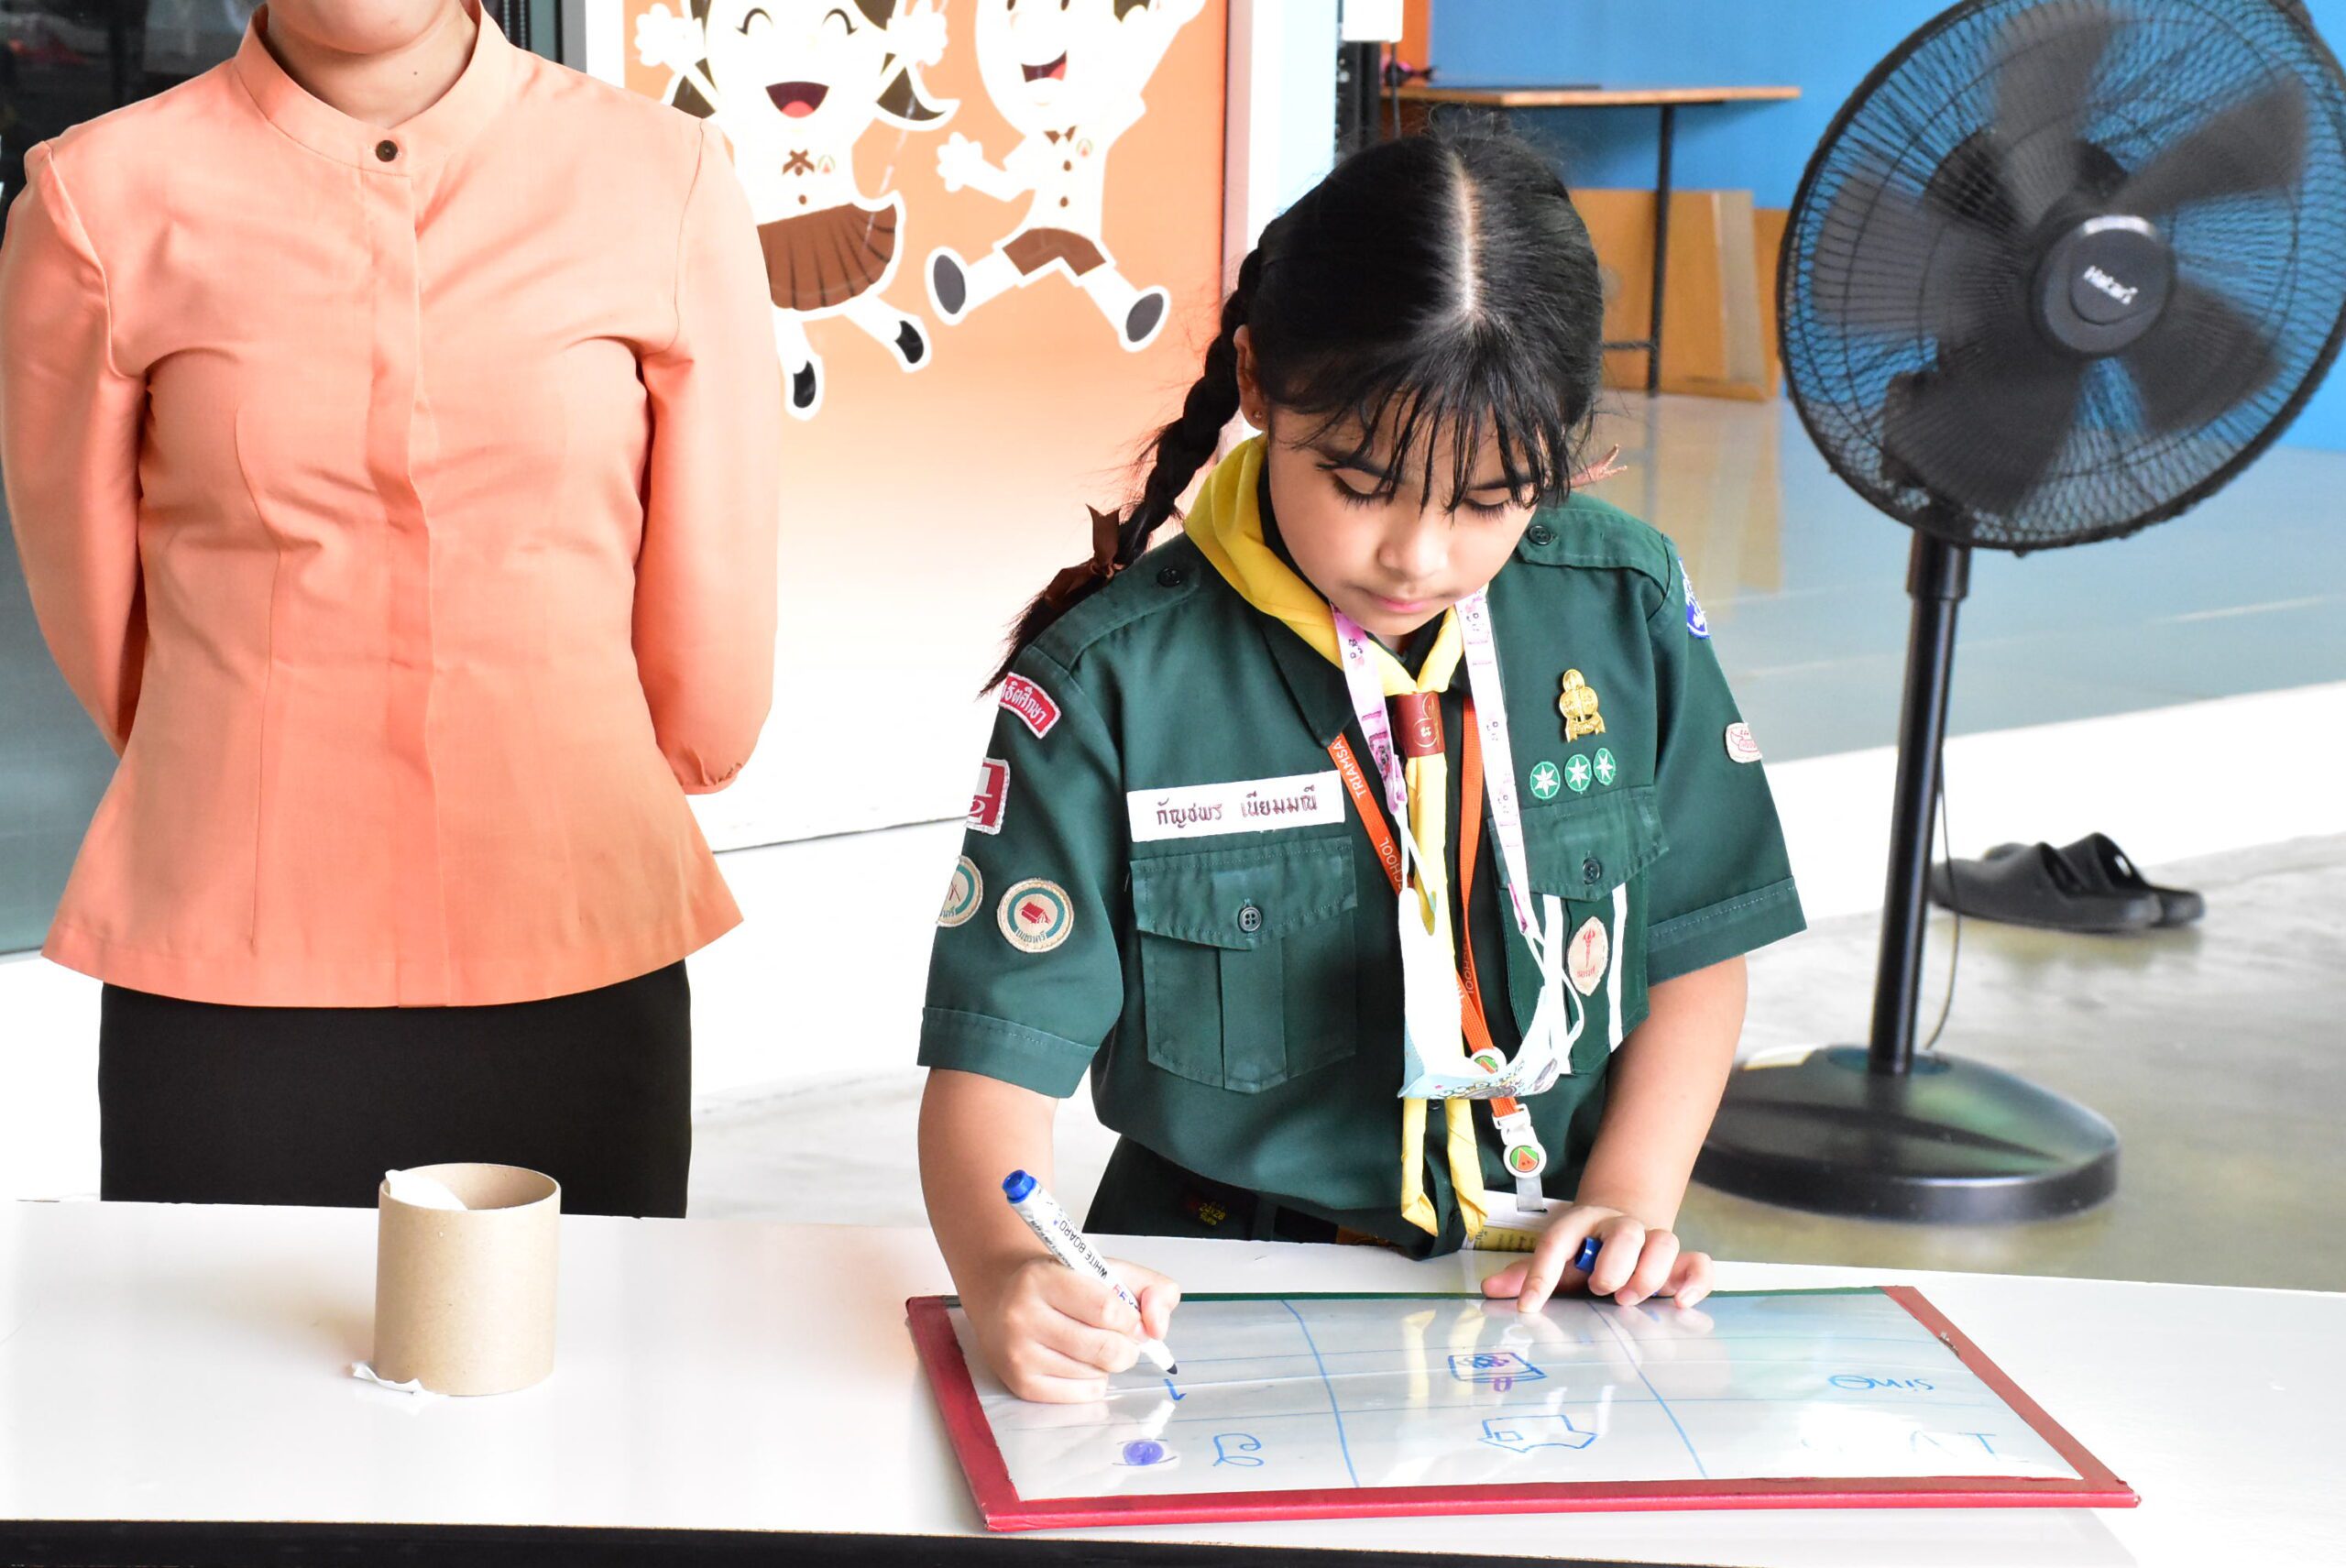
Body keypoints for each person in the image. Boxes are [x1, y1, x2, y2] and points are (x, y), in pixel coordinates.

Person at [916, 126, 1804, 1401]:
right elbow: (990, 1077)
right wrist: (1008, 1267)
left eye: (1490, 501)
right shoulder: (1112, 682)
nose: (1417, 556)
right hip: (1211, 1300)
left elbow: (1695, 950)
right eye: (1363, 481)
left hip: (1554, 1296)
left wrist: (1628, 1196)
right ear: (1259, 381)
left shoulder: (1624, 608)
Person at [0, 0, 782, 1218]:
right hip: (230, 941)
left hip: (573, 910)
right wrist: (235, 755)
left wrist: (675, 752)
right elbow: (92, 600)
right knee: (215, 1332)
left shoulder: (661, 174)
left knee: (576, 1327)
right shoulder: (97, 195)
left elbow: (716, 572)